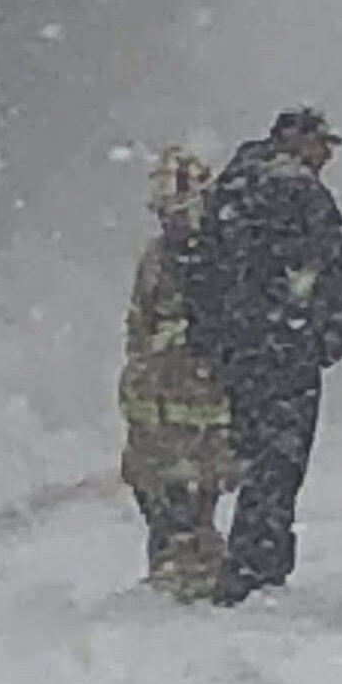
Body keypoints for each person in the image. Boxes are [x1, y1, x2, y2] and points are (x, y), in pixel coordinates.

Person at [187, 105, 342, 604]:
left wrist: (213, 339)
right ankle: (256, 565)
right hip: (287, 350)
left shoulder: (230, 186)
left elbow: (202, 269)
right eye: (322, 143)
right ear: (299, 141)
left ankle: (228, 556)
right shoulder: (302, 192)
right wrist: (329, 335)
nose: (327, 155)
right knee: (279, 461)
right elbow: (329, 267)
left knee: (247, 451)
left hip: (239, 351)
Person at [117, 147, 238, 600]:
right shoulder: (155, 258)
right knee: (152, 484)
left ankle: (200, 562)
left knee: (201, 485)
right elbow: (138, 320)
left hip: (205, 395)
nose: (173, 220)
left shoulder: (221, 256)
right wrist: (139, 372)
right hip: (156, 399)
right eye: (166, 212)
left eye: (181, 210)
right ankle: (171, 560)